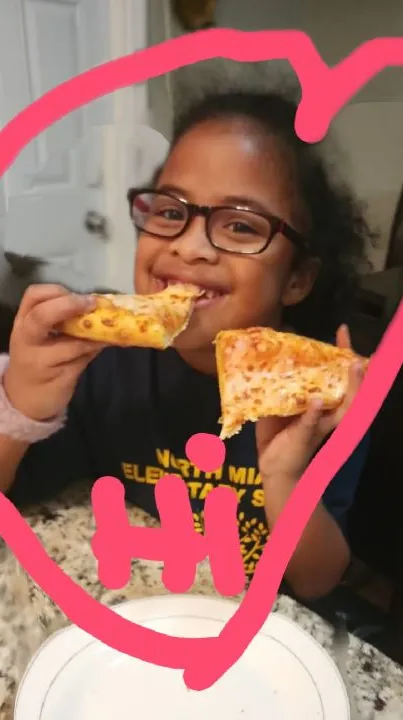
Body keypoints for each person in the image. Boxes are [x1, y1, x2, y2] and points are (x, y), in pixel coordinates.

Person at [0, 87, 373, 600]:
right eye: (171, 211)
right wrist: (20, 405)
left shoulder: (319, 396)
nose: (189, 245)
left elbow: (316, 581)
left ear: (297, 279)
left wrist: (283, 476)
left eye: (241, 224)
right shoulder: (106, 367)